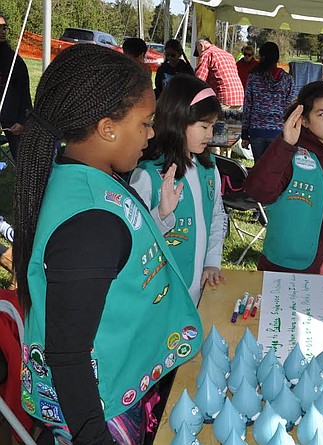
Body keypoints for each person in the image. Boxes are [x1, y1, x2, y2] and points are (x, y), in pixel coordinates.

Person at [13, 44, 202, 444]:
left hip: (119, 389)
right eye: (145, 123)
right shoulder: (90, 223)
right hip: (100, 414)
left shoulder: (91, 179)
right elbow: (68, 355)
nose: (151, 135)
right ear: (107, 128)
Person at [244, 81, 323, 277]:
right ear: (304, 120)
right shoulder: (290, 154)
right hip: (285, 268)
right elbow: (258, 190)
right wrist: (285, 144)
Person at [131, 74, 227, 304]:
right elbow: (134, 241)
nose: (210, 135)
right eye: (204, 126)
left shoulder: (209, 168)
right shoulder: (147, 176)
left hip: (201, 291)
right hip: (161, 297)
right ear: (177, 121)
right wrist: (161, 215)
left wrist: (212, 261)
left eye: (213, 126)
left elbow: (217, 217)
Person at [241, 41, 295, 161]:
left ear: (262, 57)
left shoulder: (253, 77)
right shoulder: (288, 80)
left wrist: (244, 134)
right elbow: (289, 108)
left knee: (259, 168)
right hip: (278, 132)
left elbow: (247, 105)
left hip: (256, 131)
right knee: (274, 170)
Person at [0, 13, 32, 160]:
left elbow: (24, 94)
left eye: (4, 28)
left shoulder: (14, 62)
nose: (2, 31)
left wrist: (22, 121)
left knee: (23, 160)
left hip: (11, 120)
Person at [195, 36, 244, 108]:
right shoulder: (228, 55)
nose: (198, 55)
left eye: (197, 52)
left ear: (201, 45)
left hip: (224, 98)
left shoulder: (207, 54)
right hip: (239, 97)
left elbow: (199, 81)